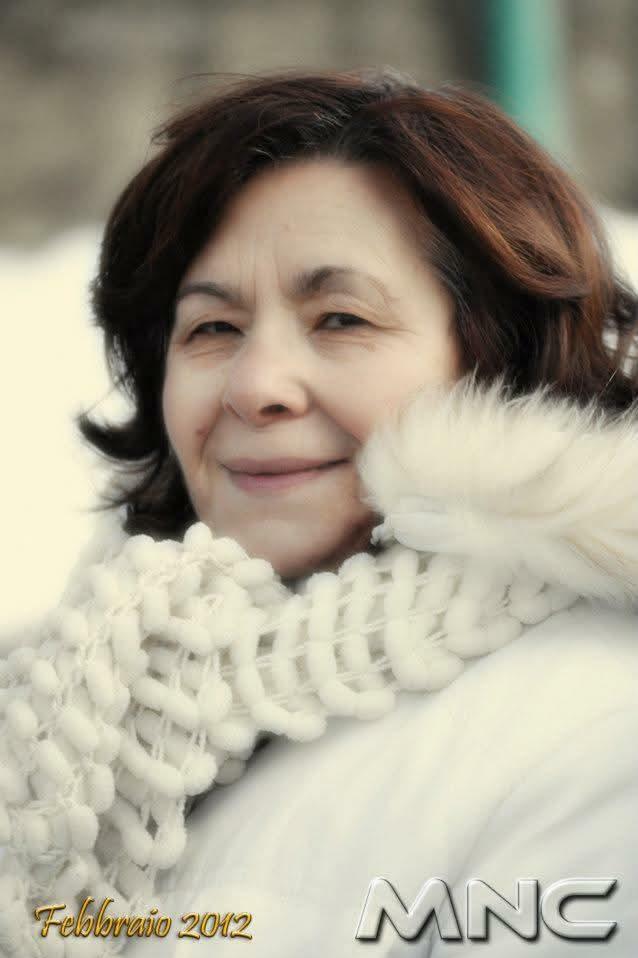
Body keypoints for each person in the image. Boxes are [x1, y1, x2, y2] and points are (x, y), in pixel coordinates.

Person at [1, 67, 637, 957]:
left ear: (499, 358)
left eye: (341, 319)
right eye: (213, 329)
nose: (256, 386)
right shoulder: (65, 701)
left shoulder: (597, 737)